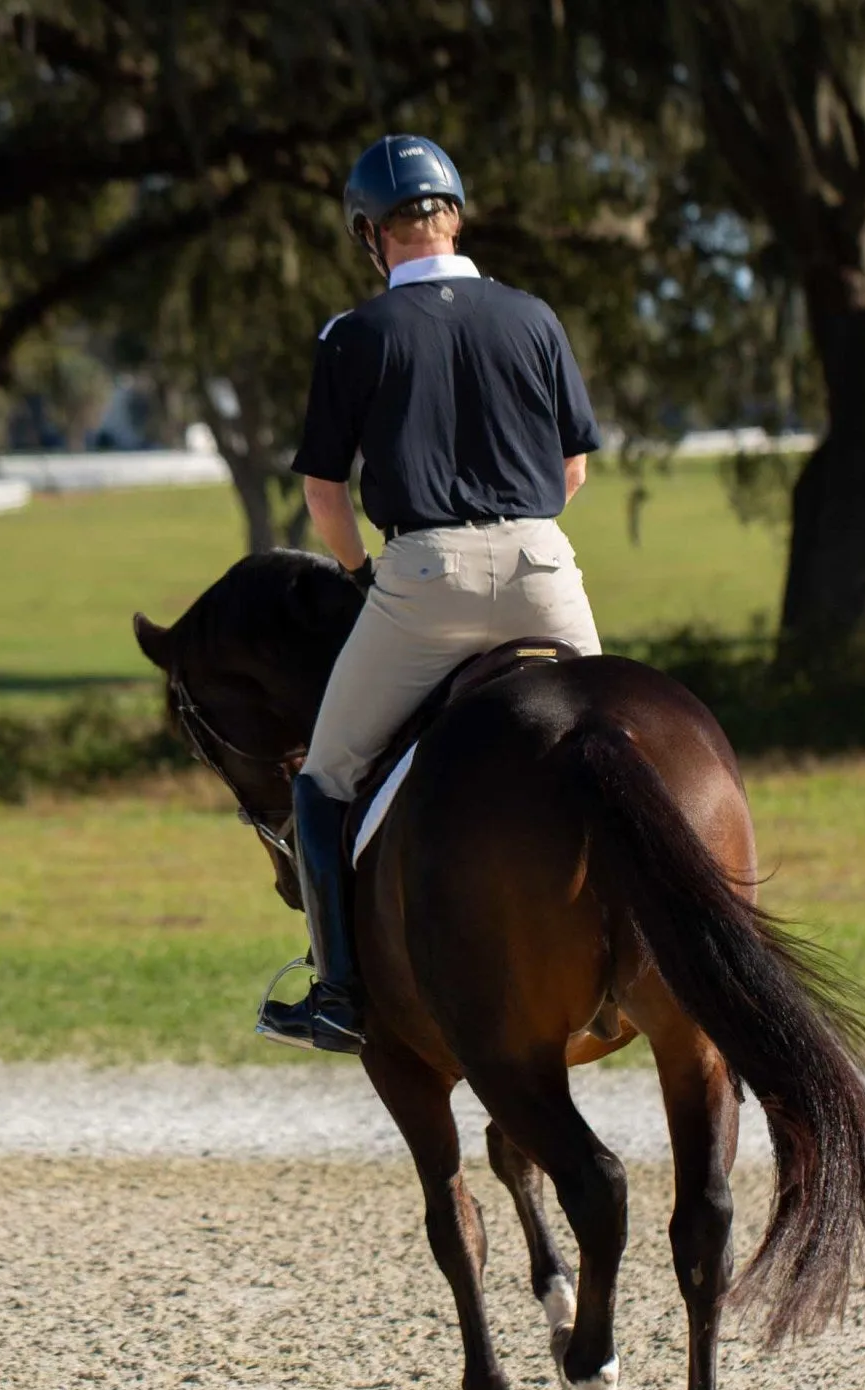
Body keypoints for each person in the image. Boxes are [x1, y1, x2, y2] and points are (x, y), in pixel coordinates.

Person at [257, 133, 604, 1055]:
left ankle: (335, 992)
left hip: (424, 578)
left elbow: (325, 494)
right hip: (542, 571)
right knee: (619, 763)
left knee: (325, 779)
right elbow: (571, 470)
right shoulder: (533, 316)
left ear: (372, 234)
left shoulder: (356, 334)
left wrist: (364, 573)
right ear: (455, 214)